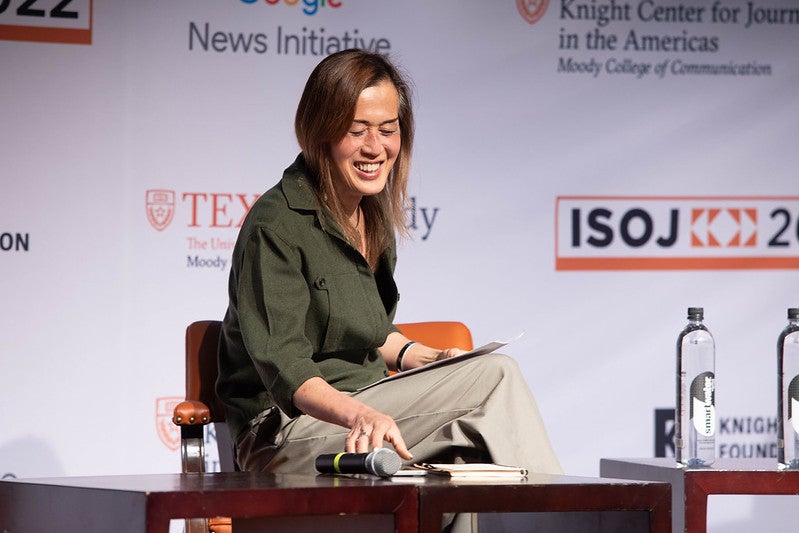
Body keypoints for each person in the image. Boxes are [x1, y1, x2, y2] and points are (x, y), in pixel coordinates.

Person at [216, 49, 561, 483]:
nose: (375, 147)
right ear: (318, 132)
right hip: (284, 434)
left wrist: (426, 358)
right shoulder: (276, 225)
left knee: (464, 458)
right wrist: (361, 413)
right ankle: (566, 512)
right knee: (496, 377)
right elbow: (289, 370)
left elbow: (370, 332)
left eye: (387, 129)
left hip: (365, 405)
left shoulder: (371, 216)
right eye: (357, 130)